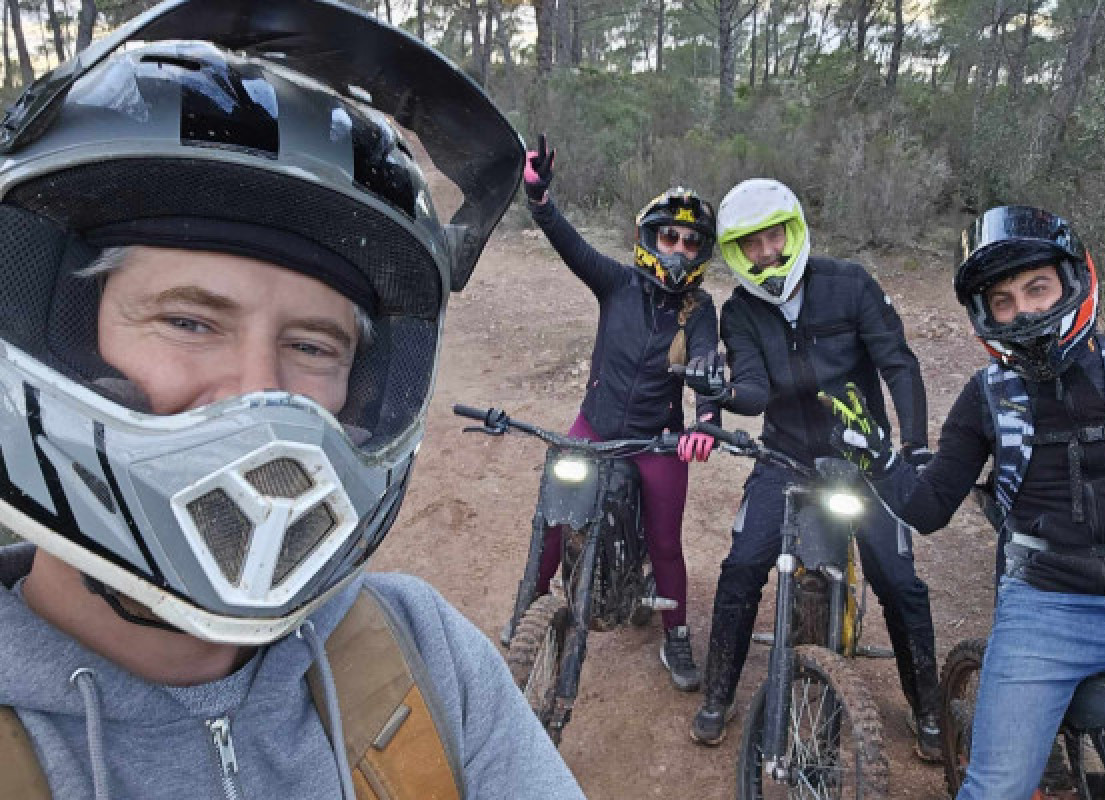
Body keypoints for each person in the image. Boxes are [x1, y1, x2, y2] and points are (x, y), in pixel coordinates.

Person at [0, 2, 585, 798]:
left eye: (313, 346)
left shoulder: (424, 658)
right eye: (189, 321)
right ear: (52, 328)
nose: (259, 392)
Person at [824, 205, 1105, 798]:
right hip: (1046, 611)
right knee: (996, 788)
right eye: (1003, 301)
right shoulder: (986, 396)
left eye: (1037, 287)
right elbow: (928, 509)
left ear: (1073, 281)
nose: (1022, 310)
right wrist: (880, 459)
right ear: (985, 314)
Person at [684, 178, 942, 759]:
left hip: (864, 456)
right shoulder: (741, 312)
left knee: (899, 582)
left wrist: (915, 445)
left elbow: (898, 364)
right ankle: (718, 695)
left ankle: (928, 706)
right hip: (786, 457)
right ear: (736, 252)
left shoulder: (850, 284)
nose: (765, 252)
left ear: (793, 230)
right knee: (742, 567)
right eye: (750, 244)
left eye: (773, 236)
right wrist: (722, 391)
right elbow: (754, 390)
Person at [523, 133, 721, 692]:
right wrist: (539, 199)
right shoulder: (616, 284)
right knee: (555, 516)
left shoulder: (699, 309)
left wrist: (707, 422)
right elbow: (570, 245)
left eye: (690, 242)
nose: (678, 249)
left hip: (657, 442)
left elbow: (707, 362)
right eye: (669, 236)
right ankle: (529, 613)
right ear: (649, 238)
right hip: (594, 427)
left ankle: (676, 634)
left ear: (701, 251)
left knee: (666, 543)